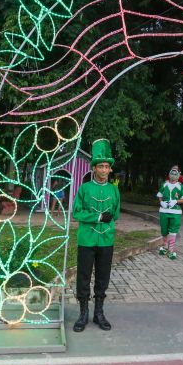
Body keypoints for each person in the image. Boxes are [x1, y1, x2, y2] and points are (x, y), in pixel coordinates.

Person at [72, 138, 121, 332]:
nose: (103, 170)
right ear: (94, 168)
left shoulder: (114, 190)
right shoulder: (84, 189)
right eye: (100, 166)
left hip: (106, 240)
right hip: (86, 239)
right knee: (83, 276)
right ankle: (83, 314)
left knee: (103, 277)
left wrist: (108, 217)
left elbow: (116, 213)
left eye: (106, 167)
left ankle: (98, 313)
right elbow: (77, 212)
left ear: (110, 169)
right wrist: (98, 216)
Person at [157, 165, 183, 259]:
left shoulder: (180, 186)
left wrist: (175, 201)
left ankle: (171, 250)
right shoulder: (164, 184)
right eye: (172, 173)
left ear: (178, 175)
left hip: (175, 212)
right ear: (169, 174)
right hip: (164, 211)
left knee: (173, 231)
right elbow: (160, 194)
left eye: (175, 173)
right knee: (164, 230)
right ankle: (165, 247)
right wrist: (161, 202)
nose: (173, 175)